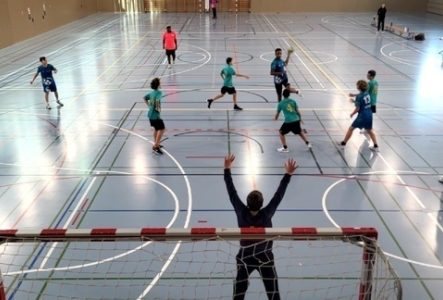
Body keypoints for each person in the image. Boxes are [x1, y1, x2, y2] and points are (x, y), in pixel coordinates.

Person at [223, 154, 297, 300]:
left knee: (239, 293)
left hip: (245, 257)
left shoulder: (241, 211)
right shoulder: (267, 214)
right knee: (273, 294)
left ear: (247, 202)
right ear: (262, 204)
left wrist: (227, 169)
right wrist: (288, 174)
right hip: (265, 258)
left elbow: (231, 191)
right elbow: (279, 195)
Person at [340, 80, 379, 151]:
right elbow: (362, 99)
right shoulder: (367, 93)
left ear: (359, 87)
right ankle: (376, 146)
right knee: (370, 130)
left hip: (362, 116)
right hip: (369, 114)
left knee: (351, 128)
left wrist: (352, 113)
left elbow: (358, 108)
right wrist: (354, 99)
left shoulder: (359, 97)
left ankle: (343, 144)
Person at [144, 78, 165, 155]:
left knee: (156, 129)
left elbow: (145, 98)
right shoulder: (159, 93)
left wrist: (149, 106)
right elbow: (157, 102)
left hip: (150, 114)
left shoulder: (151, 93)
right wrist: (158, 111)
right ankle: (155, 146)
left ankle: (157, 143)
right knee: (162, 129)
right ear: (158, 85)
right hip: (155, 115)